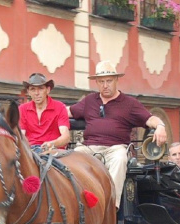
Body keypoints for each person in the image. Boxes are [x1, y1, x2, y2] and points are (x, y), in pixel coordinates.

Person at [67, 61, 167, 209]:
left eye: (109, 81)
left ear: (116, 80)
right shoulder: (89, 101)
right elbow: (65, 112)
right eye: (101, 81)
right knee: (72, 157)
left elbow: (150, 119)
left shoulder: (129, 103)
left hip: (115, 148)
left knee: (120, 159)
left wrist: (160, 126)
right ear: (96, 82)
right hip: (88, 147)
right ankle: (73, 203)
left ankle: (110, 207)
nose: (105, 85)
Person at [19, 73, 71, 152]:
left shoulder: (59, 107)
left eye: (40, 88)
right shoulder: (22, 109)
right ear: (28, 92)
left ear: (48, 90)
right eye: (33, 89)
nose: (36, 93)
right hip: (31, 152)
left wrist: (52, 144)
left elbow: (66, 137)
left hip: (54, 151)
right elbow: (21, 136)